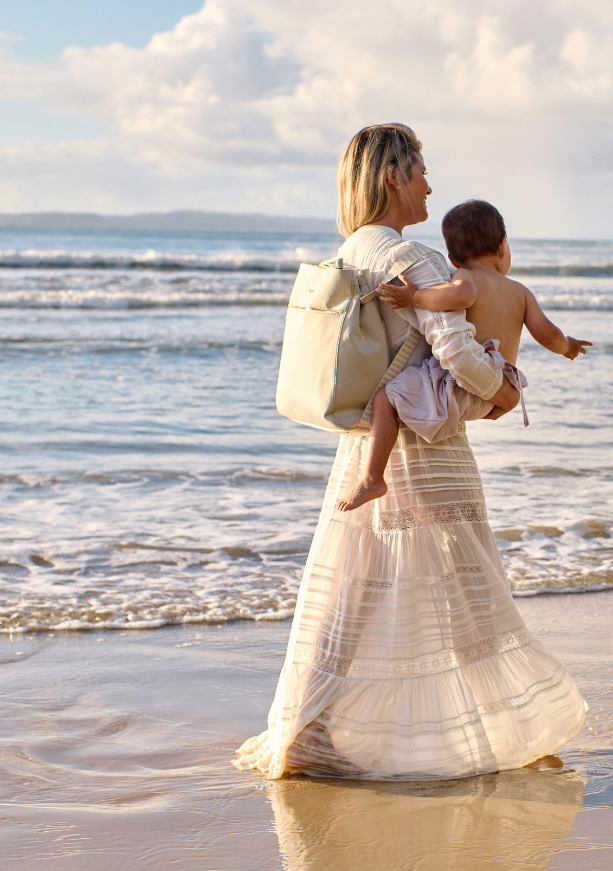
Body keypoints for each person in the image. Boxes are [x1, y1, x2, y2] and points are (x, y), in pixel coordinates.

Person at [237, 123, 586, 780]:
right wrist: (499, 394)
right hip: (431, 450)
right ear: (394, 176)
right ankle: (513, 730)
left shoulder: (353, 251)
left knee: (353, 588)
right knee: (471, 584)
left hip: (370, 441)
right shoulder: (412, 257)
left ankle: (305, 730)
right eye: (421, 169)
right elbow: (454, 350)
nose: (430, 182)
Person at [337, 199, 594, 512]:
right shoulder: (521, 291)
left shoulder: (466, 278)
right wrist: (568, 346)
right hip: (497, 389)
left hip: (463, 386)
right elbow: (547, 334)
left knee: (384, 399)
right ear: (502, 247)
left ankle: (372, 478)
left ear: (452, 258)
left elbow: (462, 296)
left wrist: (415, 296)